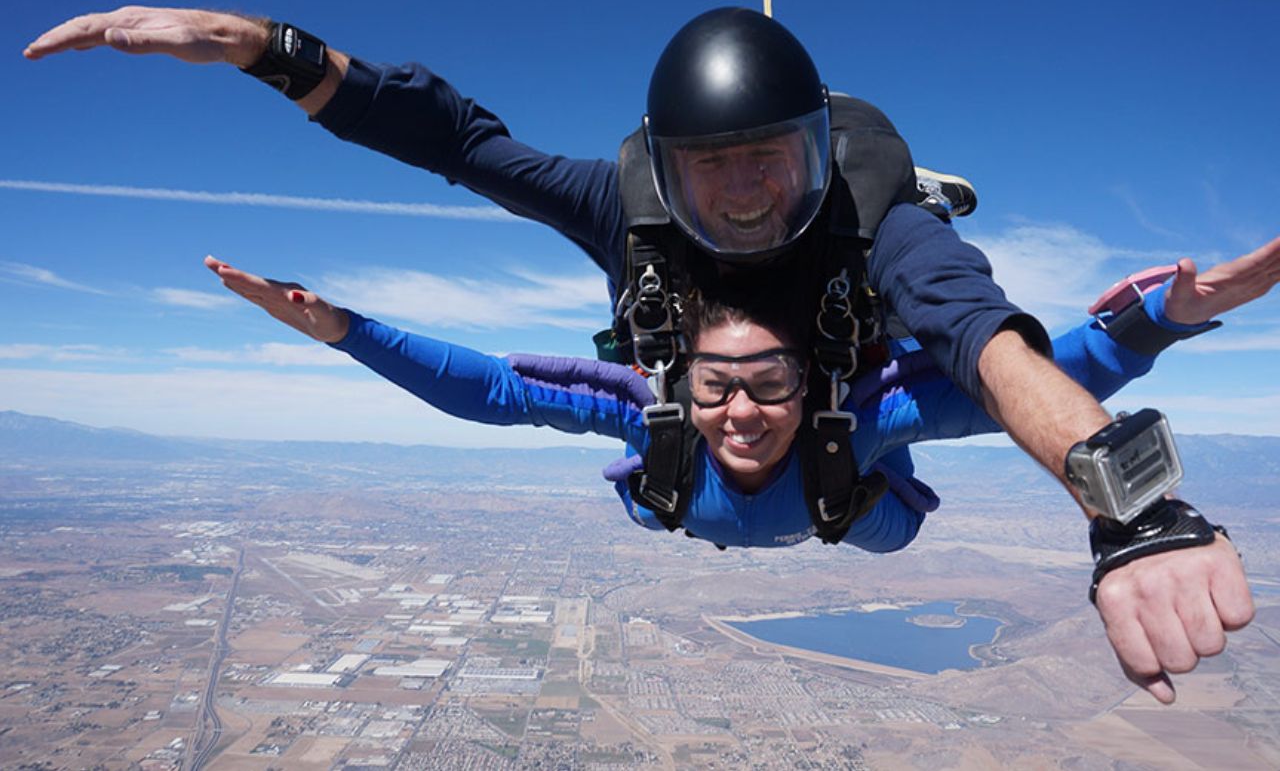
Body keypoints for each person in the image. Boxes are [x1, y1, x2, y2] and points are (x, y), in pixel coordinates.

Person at [27, 6, 1265, 703]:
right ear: (662, 172)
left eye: (766, 166)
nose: (736, 203)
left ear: (813, 158)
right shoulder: (635, 249)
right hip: (767, 460)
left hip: (843, 456)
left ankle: (838, 335)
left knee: (885, 433)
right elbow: (460, 146)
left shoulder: (874, 238)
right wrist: (271, 52)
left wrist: (1133, 512)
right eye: (707, 173)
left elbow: (990, 355)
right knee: (722, 448)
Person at [205, 236, 1273, 567]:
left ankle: (908, 229)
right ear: (684, 382)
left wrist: (1169, 313)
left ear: (808, 386)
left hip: (854, 509)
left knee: (877, 491)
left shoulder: (864, 417)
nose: (742, 412)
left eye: (770, 386)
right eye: (716, 386)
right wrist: (339, 327)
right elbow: (490, 389)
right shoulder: (650, 415)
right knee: (670, 467)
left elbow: (1036, 385)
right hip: (747, 502)